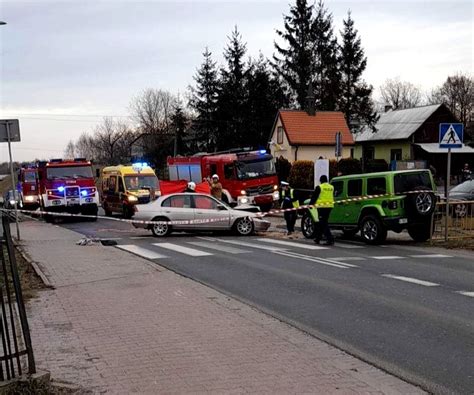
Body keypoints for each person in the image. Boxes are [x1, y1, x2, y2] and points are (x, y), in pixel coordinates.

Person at [309, 175, 335, 245]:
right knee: (322, 222)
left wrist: (311, 205)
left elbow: (314, 197)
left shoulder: (319, 187)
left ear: (320, 180)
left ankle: (330, 239)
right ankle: (318, 238)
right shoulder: (331, 187)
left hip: (322, 207)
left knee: (323, 223)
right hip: (330, 206)